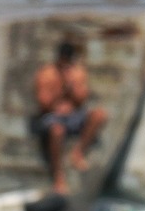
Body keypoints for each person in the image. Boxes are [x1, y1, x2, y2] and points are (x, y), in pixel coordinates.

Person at [32, 41, 108, 195]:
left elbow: (81, 99)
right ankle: (58, 177)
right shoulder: (46, 73)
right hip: (52, 116)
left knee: (100, 114)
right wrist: (58, 94)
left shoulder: (77, 73)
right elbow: (43, 103)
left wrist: (70, 86)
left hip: (73, 115)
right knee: (57, 130)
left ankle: (78, 152)